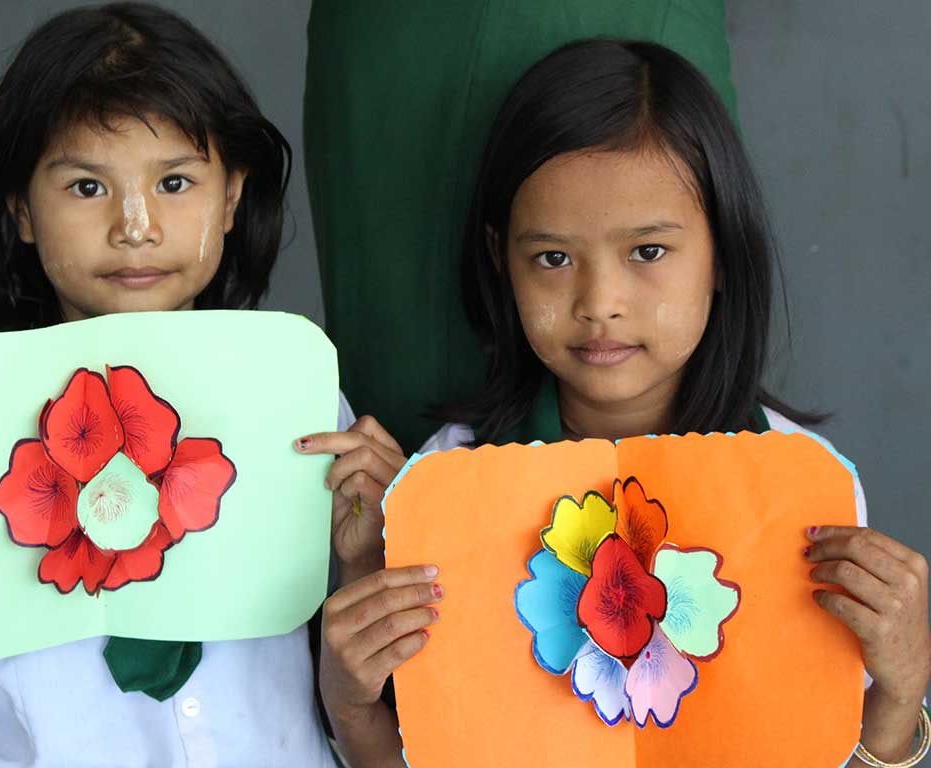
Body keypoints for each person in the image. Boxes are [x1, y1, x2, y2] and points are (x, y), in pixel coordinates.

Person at [299, 39, 931, 767]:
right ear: (502, 261)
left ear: (723, 253)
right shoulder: (449, 480)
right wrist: (350, 702)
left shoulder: (803, 489)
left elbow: (826, 747)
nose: (600, 303)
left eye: (648, 252)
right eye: (553, 258)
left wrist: (900, 688)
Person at [0, 3, 355, 765]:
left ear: (232, 197)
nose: (135, 225)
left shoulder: (298, 401)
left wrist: (379, 541)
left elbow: (372, 686)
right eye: (87, 188)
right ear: (21, 209)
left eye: (174, 181)